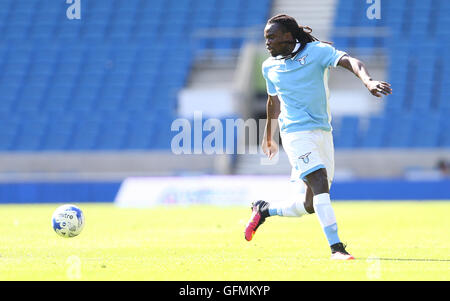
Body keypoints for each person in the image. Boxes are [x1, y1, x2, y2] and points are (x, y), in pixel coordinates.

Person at [244, 14, 392, 260]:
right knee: (319, 181)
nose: (267, 43)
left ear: (288, 37)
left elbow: (350, 61)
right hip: (294, 132)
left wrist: (368, 81)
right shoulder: (268, 66)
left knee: (311, 205)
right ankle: (337, 248)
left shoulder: (317, 52)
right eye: (265, 38)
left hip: (322, 132)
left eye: (272, 37)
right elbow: (273, 100)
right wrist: (269, 134)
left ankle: (264, 210)